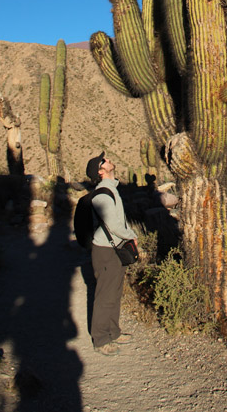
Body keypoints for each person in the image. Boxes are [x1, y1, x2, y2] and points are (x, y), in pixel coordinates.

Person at [85, 151, 138, 356]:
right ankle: (100, 339)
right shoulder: (102, 194)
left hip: (114, 248)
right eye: (104, 161)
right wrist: (132, 235)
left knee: (114, 293)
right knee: (105, 295)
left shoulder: (110, 190)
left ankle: (114, 332)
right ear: (100, 171)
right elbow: (113, 224)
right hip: (106, 251)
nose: (108, 160)